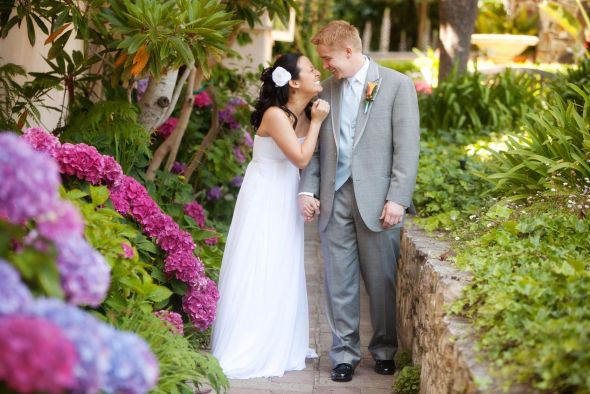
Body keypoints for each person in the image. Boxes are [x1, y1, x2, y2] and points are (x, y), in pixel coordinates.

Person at [298, 20, 420, 382]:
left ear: (349, 51)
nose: (325, 66)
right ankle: (344, 354)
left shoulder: (397, 85)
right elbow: (318, 151)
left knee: (381, 281)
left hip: (379, 201)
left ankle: (384, 350)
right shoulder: (327, 93)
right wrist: (309, 189)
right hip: (335, 199)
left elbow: (407, 149)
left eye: (328, 58)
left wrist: (397, 198)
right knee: (339, 280)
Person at [211, 53, 330, 379]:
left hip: (284, 194)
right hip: (265, 195)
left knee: (281, 263)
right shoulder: (276, 115)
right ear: (293, 81)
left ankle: (280, 337)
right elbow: (302, 158)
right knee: (259, 262)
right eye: (310, 69)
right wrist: (318, 123)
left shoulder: (303, 111)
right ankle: (251, 340)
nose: (317, 71)